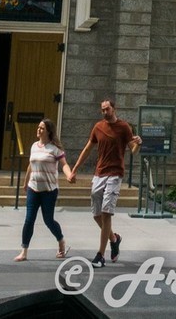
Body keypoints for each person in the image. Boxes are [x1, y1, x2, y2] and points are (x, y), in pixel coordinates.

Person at [68, 97, 141, 266]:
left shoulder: (124, 127)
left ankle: (100, 255)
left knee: (107, 213)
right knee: (96, 215)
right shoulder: (98, 127)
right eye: (102, 110)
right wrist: (75, 169)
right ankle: (114, 239)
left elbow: (133, 150)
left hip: (115, 174)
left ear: (114, 109)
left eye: (107, 109)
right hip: (99, 173)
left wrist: (139, 143)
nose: (104, 112)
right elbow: (88, 148)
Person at [13, 118, 69, 261]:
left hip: (49, 190)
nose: (39, 130)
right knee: (29, 220)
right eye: (38, 127)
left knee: (48, 220)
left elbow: (64, 164)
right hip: (34, 188)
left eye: (42, 128)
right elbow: (30, 165)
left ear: (49, 131)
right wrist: (26, 182)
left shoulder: (54, 149)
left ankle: (61, 240)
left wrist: (69, 174)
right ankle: (24, 251)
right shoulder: (34, 146)